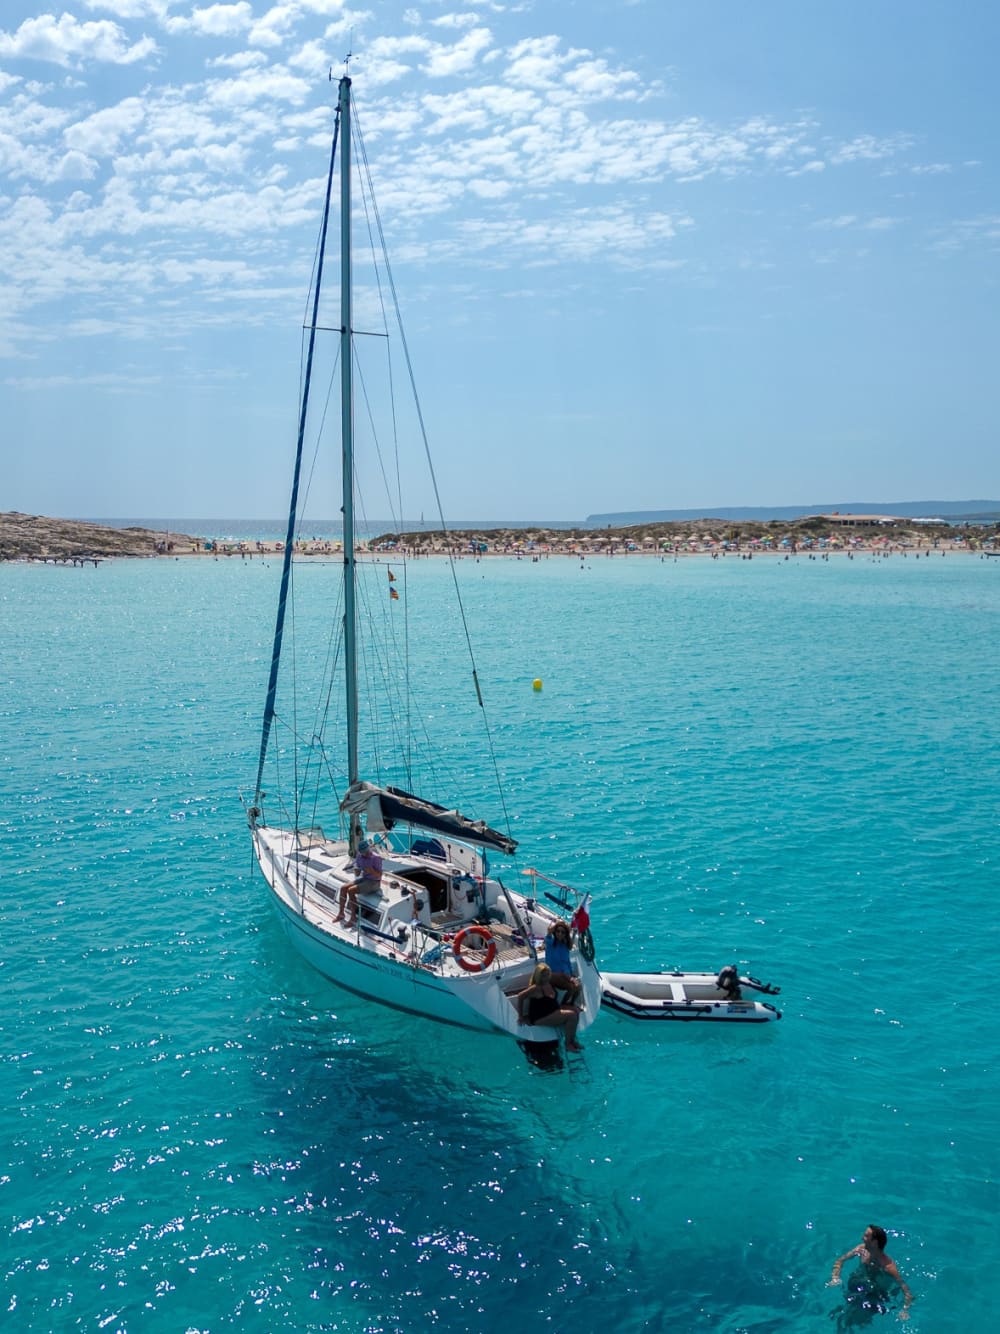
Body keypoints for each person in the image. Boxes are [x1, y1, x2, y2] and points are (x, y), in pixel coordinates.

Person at [829, 1225, 913, 1322]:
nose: (862, 1238)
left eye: (866, 1236)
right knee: (841, 1317)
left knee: (854, 1320)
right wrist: (835, 1278)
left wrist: (905, 1310)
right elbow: (840, 1261)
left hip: (876, 1294)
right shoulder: (861, 1249)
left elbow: (907, 1292)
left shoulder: (889, 1267)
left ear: (874, 1242)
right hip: (857, 1285)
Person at [515, 963, 583, 1051]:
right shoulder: (536, 988)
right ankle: (568, 1044)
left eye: (548, 974)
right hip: (541, 1017)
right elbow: (520, 996)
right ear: (539, 976)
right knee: (572, 1015)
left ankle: (573, 1041)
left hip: (553, 1011)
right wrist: (520, 1016)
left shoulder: (549, 982)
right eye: (544, 976)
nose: (546, 977)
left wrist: (572, 980)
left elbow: (561, 974)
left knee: (576, 1010)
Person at [335, 838, 383, 927]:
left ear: (368, 849)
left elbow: (379, 875)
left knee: (351, 890)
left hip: (374, 882)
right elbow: (357, 871)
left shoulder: (376, 858)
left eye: (365, 851)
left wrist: (371, 871)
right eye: (362, 852)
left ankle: (353, 917)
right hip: (364, 878)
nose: (364, 854)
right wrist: (356, 870)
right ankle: (341, 913)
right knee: (343, 888)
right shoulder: (359, 856)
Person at [544, 921, 581, 1004]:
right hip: (553, 975)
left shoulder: (565, 946)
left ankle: (571, 1004)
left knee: (578, 988)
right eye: (558, 931)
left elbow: (567, 962)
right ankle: (563, 1004)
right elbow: (548, 936)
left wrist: (571, 974)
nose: (560, 934)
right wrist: (550, 931)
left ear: (565, 934)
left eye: (562, 932)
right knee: (571, 988)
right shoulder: (551, 943)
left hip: (565, 975)